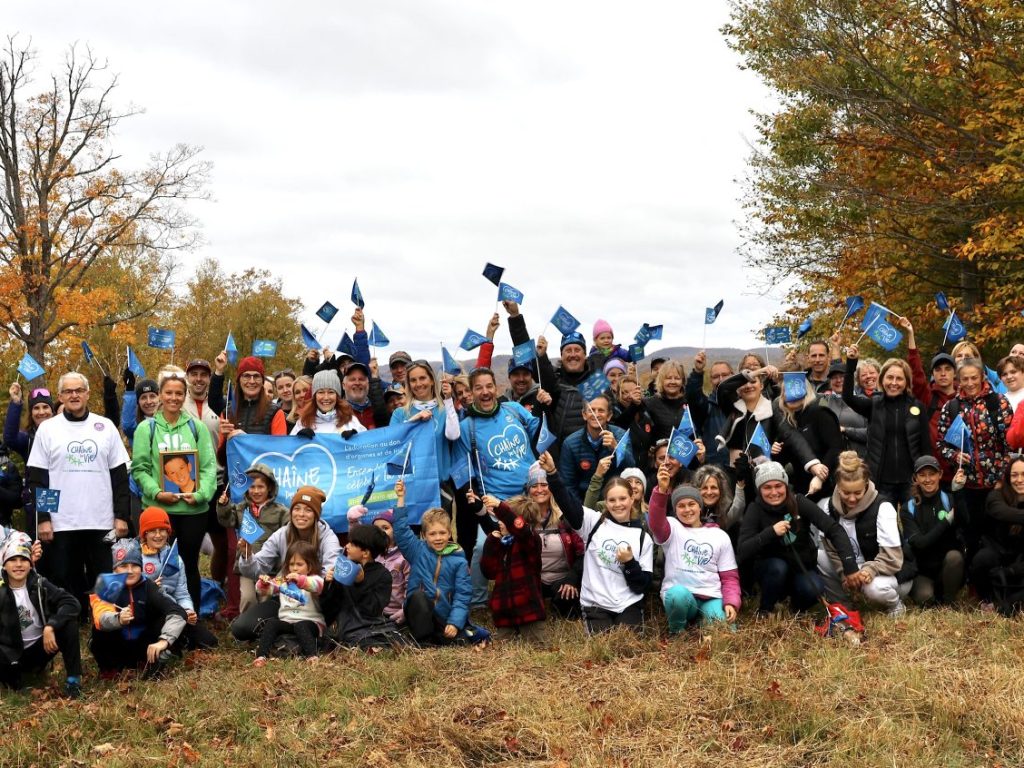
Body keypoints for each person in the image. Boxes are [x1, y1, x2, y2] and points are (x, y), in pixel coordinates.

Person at [27, 371, 131, 613]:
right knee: (63, 574)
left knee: (104, 574)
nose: (74, 395)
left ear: (87, 394)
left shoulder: (104, 426)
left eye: (78, 390)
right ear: (61, 396)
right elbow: (38, 478)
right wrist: (44, 519)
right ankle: (71, 620)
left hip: (101, 519)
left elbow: (119, 476)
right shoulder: (48, 429)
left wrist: (121, 515)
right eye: (68, 391)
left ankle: (106, 620)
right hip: (62, 521)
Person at [130, 371, 217, 610]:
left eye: (179, 393)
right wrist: (157, 493)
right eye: (168, 392)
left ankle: (192, 619)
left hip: (193, 510)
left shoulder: (196, 427)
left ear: (185, 395)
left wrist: (200, 495)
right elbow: (139, 469)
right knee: (157, 565)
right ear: (160, 395)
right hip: (159, 510)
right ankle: (160, 616)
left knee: (189, 564)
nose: (174, 398)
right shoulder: (146, 429)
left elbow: (209, 468)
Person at [542, 452, 654, 634]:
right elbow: (567, 502)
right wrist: (553, 473)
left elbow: (642, 585)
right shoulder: (594, 522)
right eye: (612, 500)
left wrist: (630, 563)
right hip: (595, 603)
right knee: (603, 643)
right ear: (605, 502)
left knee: (626, 645)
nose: (618, 504)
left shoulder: (643, 538)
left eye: (623, 499)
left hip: (628, 603)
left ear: (632, 499)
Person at [737, 462, 859, 616]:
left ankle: (794, 609)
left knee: (814, 586)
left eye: (778, 486)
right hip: (770, 571)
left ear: (786, 486)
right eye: (767, 487)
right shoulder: (755, 509)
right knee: (778, 567)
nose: (774, 492)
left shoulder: (798, 501)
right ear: (759, 489)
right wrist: (771, 532)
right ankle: (766, 609)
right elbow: (742, 551)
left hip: (800, 567)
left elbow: (834, 529)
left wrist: (850, 566)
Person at [451, 368, 539, 559]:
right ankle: (475, 591)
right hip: (497, 504)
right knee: (481, 550)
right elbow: (462, 474)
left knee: (539, 545)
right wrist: (479, 506)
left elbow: (541, 435)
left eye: (489, 386)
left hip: (533, 496)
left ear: (496, 388)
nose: (485, 392)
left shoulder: (514, 409)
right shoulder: (466, 428)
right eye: (478, 388)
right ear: (472, 392)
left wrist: (546, 406)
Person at [232, 486, 340, 642]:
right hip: (286, 599)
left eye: (308, 510)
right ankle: (285, 629)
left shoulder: (327, 537)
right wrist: (247, 554)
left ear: (316, 515)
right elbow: (257, 569)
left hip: (317, 602)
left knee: (333, 588)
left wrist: (304, 583)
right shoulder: (282, 534)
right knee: (241, 628)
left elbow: (331, 573)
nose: (301, 514)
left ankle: (319, 628)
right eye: (297, 508)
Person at [816, 452, 914, 617]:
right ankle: (843, 606)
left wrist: (869, 570)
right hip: (852, 568)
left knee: (874, 587)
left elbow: (893, 558)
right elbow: (830, 548)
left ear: (867, 484)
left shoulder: (883, 508)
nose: (852, 499)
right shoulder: (828, 508)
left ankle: (895, 604)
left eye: (858, 493)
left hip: (886, 573)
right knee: (819, 556)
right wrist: (844, 572)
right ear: (838, 487)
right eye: (846, 493)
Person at [391, 479, 487, 646]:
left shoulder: (458, 559)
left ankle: (445, 635)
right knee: (419, 598)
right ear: (424, 535)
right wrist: (400, 498)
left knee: (465, 639)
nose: (438, 538)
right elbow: (400, 530)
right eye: (432, 534)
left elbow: (462, 595)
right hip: (420, 612)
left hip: (444, 615)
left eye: (442, 533)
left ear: (450, 533)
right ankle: (423, 640)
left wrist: (455, 622)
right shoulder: (417, 550)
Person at [936, 357, 1013, 561]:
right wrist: (955, 455)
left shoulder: (998, 402)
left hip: (995, 484)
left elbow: (1010, 446)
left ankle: (999, 580)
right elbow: (941, 444)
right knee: (970, 534)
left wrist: (1001, 478)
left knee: (997, 533)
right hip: (966, 486)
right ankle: (973, 581)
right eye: (965, 379)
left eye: (974, 378)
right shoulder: (951, 407)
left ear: (982, 377)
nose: (969, 383)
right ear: (958, 380)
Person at [647, 468, 739, 632]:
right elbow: (655, 521)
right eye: (681, 506)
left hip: (711, 596)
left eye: (691, 504)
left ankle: (703, 621)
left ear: (700, 507)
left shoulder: (719, 535)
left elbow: (729, 577)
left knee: (726, 631)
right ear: (675, 510)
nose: (687, 509)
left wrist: (731, 601)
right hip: (681, 596)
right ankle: (677, 630)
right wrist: (661, 491)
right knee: (677, 596)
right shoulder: (671, 528)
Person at [841, 345, 931, 504]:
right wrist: (851, 364)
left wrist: (926, 475)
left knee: (912, 524)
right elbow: (847, 397)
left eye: (899, 378)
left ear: (906, 382)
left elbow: (925, 446)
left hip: (911, 481)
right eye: (890, 377)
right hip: (881, 481)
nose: (894, 383)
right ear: (882, 379)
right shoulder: (874, 405)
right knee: (883, 527)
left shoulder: (917, 407)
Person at [88, 539, 187, 677]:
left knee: (164, 619)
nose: (130, 571)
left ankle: (148, 662)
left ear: (141, 567)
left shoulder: (149, 586)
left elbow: (177, 611)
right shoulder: (104, 586)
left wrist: (164, 640)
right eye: (124, 566)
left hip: (144, 645)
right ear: (114, 569)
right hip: (116, 644)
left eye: (135, 565)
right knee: (98, 630)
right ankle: (110, 668)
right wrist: (118, 619)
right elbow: (101, 618)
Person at [0, 533, 82, 698]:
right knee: (14, 685)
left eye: (23, 560)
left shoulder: (38, 584)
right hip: (8, 656)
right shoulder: (1, 590)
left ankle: (74, 680)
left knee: (68, 623)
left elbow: (72, 603)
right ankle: (14, 680)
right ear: (4, 565)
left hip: (39, 650)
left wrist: (51, 625)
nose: (18, 565)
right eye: (12, 560)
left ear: (30, 564)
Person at [183, 358, 230, 611]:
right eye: (194, 374)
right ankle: (188, 593)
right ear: (187, 377)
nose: (199, 379)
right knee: (189, 541)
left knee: (221, 540)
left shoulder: (217, 405)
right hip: (187, 483)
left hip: (217, 481)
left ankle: (217, 587)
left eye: (204, 375)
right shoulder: (178, 403)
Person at [137, 507, 218, 649]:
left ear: (168, 533)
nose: (158, 535)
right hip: (148, 615)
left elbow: (182, 593)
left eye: (162, 530)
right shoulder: (137, 559)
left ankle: (179, 639)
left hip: (174, 613)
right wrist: (149, 589)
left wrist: (188, 610)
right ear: (144, 534)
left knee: (209, 641)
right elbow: (129, 594)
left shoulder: (175, 558)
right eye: (153, 531)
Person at [217, 463, 289, 616]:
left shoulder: (281, 511)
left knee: (266, 599)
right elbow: (227, 521)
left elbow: (289, 533)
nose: (256, 491)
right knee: (248, 598)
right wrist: (223, 506)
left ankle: (264, 627)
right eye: (252, 487)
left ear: (269, 488)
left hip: (271, 567)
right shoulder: (241, 508)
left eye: (261, 487)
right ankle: (247, 630)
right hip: (246, 564)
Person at [479, 494, 547, 644]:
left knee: (538, 649)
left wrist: (499, 506)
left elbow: (520, 529)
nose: (500, 523)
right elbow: (488, 572)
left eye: (504, 520)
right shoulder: (501, 543)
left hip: (529, 612)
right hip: (504, 614)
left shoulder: (531, 541)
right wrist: (491, 542)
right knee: (502, 651)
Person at [901, 456, 965, 606]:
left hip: (946, 567)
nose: (928, 479)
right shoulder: (908, 508)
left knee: (955, 557)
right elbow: (921, 543)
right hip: (922, 571)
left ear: (940, 475)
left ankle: (949, 601)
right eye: (922, 475)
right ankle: (934, 594)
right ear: (915, 478)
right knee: (925, 598)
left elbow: (965, 521)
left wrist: (959, 493)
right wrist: (947, 521)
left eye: (932, 474)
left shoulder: (949, 500)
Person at [524, 463, 583, 618]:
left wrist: (572, 579)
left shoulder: (566, 517)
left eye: (544, 485)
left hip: (563, 578)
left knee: (568, 609)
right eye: (534, 486)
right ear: (528, 490)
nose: (539, 490)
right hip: (534, 579)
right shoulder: (522, 518)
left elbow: (582, 552)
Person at [253, 540, 326, 665]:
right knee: (272, 623)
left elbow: (317, 586)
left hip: (311, 623)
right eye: (291, 564)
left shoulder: (315, 579)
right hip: (287, 622)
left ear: (310, 566)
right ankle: (261, 656)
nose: (294, 568)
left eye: (299, 564)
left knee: (300, 625)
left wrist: (300, 580)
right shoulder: (284, 582)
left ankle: (312, 656)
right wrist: (263, 583)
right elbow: (265, 590)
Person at [390, 361, 459, 486]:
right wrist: (413, 420)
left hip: (440, 485)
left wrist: (448, 399)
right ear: (409, 384)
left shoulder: (444, 410)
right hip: (409, 485)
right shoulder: (399, 413)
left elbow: (453, 435)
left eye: (422, 378)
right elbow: (392, 443)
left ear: (432, 380)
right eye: (413, 380)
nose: (418, 384)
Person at [970, 457, 1024, 611]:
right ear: (1008, 477)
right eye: (1014, 475)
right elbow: (1003, 513)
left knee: (1010, 607)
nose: (1019, 479)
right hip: (997, 553)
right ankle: (986, 599)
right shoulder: (996, 496)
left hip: (1021, 558)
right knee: (981, 559)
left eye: (1023, 474)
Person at [558, 394, 630, 503]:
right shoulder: (570, 443)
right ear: (584, 415)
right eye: (592, 410)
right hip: (583, 503)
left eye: (601, 410)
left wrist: (616, 448)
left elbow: (631, 468)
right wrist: (582, 512)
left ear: (609, 415)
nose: (596, 415)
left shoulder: (621, 436)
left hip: (616, 501)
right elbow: (568, 485)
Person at [777, 383, 843, 499]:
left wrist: (820, 478)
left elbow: (835, 448)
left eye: (795, 388)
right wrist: (776, 450)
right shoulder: (787, 422)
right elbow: (787, 457)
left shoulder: (820, 412)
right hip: (802, 489)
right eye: (786, 391)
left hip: (828, 487)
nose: (791, 394)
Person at [536, 331, 593, 446]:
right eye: (568, 350)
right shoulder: (553, 382)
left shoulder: (596, 384)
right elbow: (537, 367)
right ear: (561, 356)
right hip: (555, 456)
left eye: (577, 350)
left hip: (586, 456)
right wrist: (515, 316)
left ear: (585, 355)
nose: (572, 355)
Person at [686, 352, 733, 467]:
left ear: (733, 375)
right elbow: (693, 395)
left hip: (740, 469)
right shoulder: (706, 406)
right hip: (714, 469)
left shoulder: (743, 404)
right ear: (711, 380)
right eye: (716, 377)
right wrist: (697, 372)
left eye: (725, 375)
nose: (721, 379)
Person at [291, 369, 364, 436]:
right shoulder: (303, 422)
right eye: (321, 392)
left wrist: (356, 440)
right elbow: (290, 448)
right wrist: (298, 439)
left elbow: (367, 446)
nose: (326, 397)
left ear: (337, 396)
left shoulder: (350, 420)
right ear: (314, 396)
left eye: (331, 392)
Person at [819, 362, 869, 458]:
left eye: (842, 376)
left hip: (859, 459)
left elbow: (872, 433)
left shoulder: (863, 399)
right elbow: (817, 424)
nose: (838, 380)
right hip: (831, 460)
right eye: (834, 377)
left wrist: (846, 430)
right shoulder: (824, 399)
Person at [644, 361, 689, 442]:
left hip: (687, 452)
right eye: (668, 378)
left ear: (682, 381)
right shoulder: (650, 403)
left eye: (677, 378)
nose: (673, 382)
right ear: (661, 380)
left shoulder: (689, 403)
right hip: (661, 453)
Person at [693, 464, 744, 530]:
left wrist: (740, 485)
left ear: (721, 490)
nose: (709, 492)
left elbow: (739, 506)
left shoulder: (726, 514)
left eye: (713, 487)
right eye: (704, 488)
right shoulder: (690, 510)